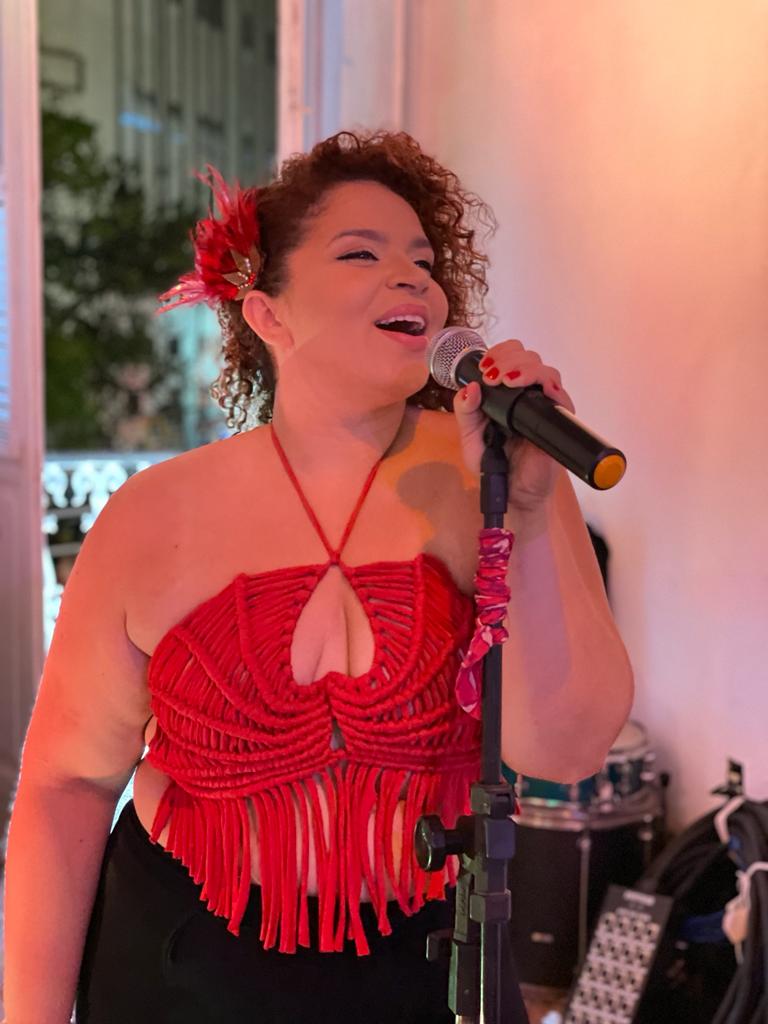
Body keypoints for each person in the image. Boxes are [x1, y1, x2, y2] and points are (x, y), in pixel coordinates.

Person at [2, 129, 634, 1024]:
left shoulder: (496, 477)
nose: (412, 278)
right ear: (268, 313)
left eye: (424, 261)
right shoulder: (153, 513)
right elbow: (66, 785)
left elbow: (565, 750)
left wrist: (527, 512)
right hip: (180, 966)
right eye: (361, 254)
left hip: (422, 967)